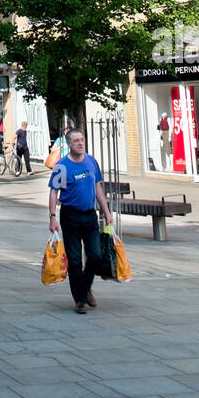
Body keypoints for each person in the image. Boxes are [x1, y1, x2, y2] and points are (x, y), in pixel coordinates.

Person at [49, 127, 114, 314]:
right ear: (68, 144)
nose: (80, 143)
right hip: (70, 216)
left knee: (95, 256)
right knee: (75, 259)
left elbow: (97, 187)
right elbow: (54, 191)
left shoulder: (91, 162)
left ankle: (85, 289)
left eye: (82, 139)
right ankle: (79, 299)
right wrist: (53, 217)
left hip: (90, 215)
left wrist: (107, 212)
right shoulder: (63, 166)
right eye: (76, 140)